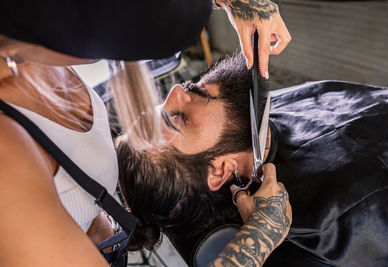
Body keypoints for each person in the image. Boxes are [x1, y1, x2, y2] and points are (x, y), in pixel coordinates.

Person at [1, 0, 292, 266]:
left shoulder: (40, 42)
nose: (176, 90)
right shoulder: (8, 157)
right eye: (177, 118)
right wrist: (257, 240)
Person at [117, 53, 388, 266]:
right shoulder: (322, 225)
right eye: (177, 118)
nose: (176, 91)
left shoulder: (246, 118)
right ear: (220, 171)